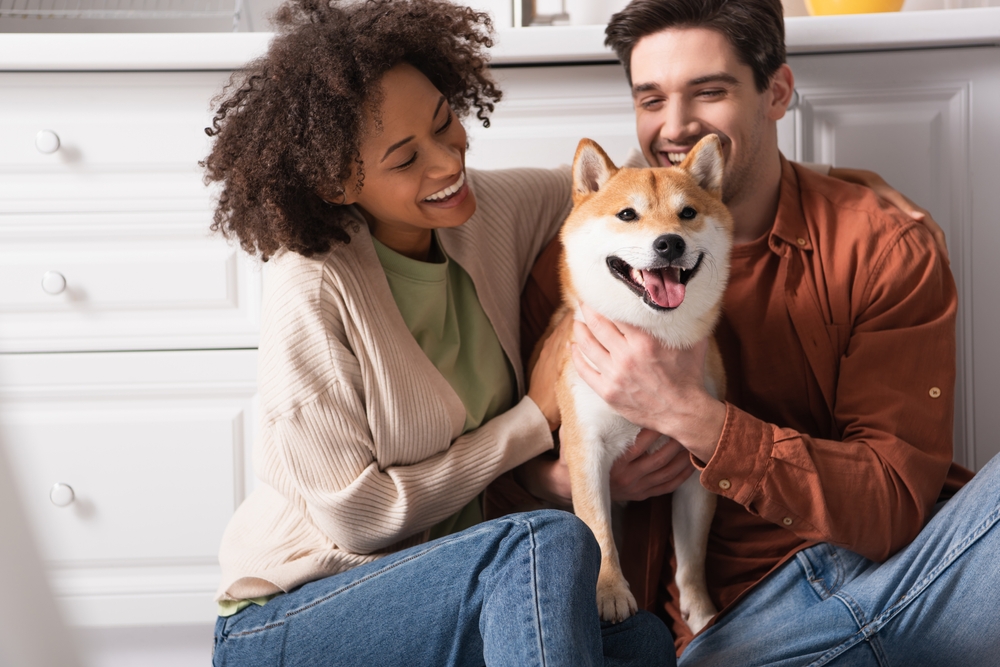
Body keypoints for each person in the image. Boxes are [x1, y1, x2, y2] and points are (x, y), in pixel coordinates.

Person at [507, 0, 999, 664]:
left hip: (890, 576)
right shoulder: (587, 257)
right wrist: (570, 480)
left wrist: (692, 416)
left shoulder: (878, 243)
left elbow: (895, 501)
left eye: (709, 92)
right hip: (723, 622)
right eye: (650, 99)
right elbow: (511, 470)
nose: (675, 127)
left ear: (777, 92)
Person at [202, 0, 676, 665]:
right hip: (293, 616)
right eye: (405, 159)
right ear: (341, 183)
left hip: (449, 595)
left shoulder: (486, 210)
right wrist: (533, 421)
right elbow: (358, 518)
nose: (447, 160)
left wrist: (832, 185)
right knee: (546, 545)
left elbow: (624, 199)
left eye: (443, 122)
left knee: (642, 642)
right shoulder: (310, 286)